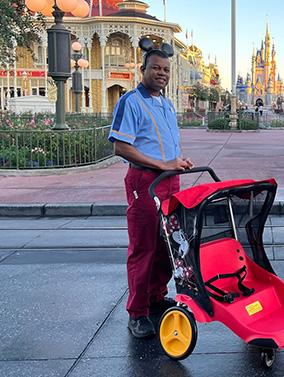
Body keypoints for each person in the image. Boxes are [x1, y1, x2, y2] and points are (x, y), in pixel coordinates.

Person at [108, 39, 194, 339]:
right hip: (145, 182)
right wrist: (162, 164)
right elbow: (121, 146)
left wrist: (178, 162)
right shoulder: (131, 101)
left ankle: (156, 297)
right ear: (143, 70)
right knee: (144, 246)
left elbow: (166, 146)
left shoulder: (167, 104)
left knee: (167, 247)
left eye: (166, 69)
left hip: (171, 181)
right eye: (156, 68)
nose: (162, 73)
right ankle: (138, 312)